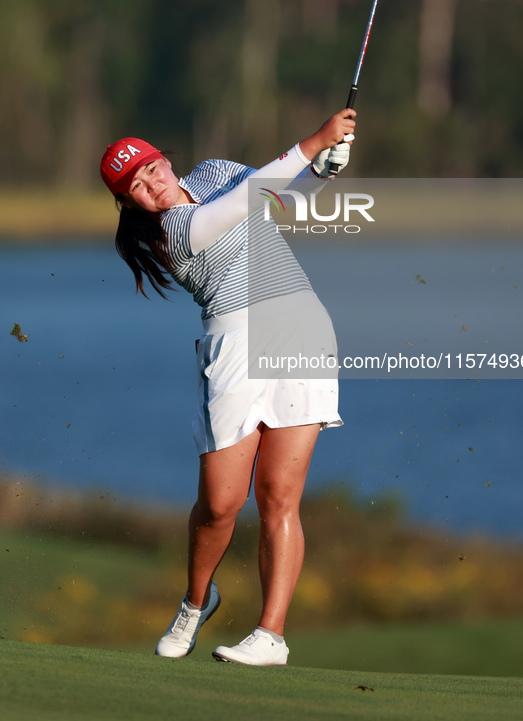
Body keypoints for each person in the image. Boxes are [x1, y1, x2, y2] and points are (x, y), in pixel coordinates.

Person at [99, 108, 356, 666]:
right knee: (220, 504)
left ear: (165, 160)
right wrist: (316, 140)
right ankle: (196, 601)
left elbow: (280, 199)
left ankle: (271, 635)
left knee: (278, 499)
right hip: (235, 344)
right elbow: (247, 200)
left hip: (301, 327)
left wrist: (324, 168)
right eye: (135, 187)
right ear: (128, 202)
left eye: (151, 170)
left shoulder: (217, 170)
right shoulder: (172, 230)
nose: (151, 186)